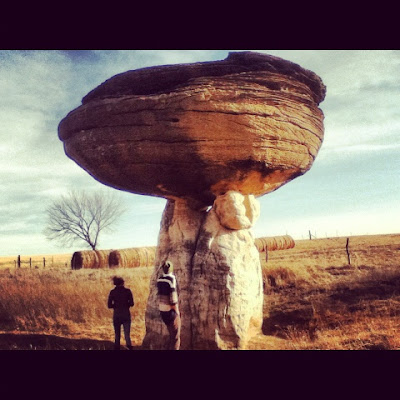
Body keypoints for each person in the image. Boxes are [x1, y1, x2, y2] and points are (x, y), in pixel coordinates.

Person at [156, 260, 181, 350]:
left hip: (162, 311)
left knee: (171, 335)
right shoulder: (171, 279)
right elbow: (173, 299)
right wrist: (177, 312)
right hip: (170, 312)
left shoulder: (159, 279)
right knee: (176, 338)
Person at [108, 276, 134, 350]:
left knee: (117, 335)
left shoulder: (112, 292)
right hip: (126, 314)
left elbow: (109, 305)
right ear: (122, 283)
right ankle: (129, 347)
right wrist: (126, 305)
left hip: (117, 315)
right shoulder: (128, 291)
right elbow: (132, 303)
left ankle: (117, 348)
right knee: (127, 335)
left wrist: (116, 306)